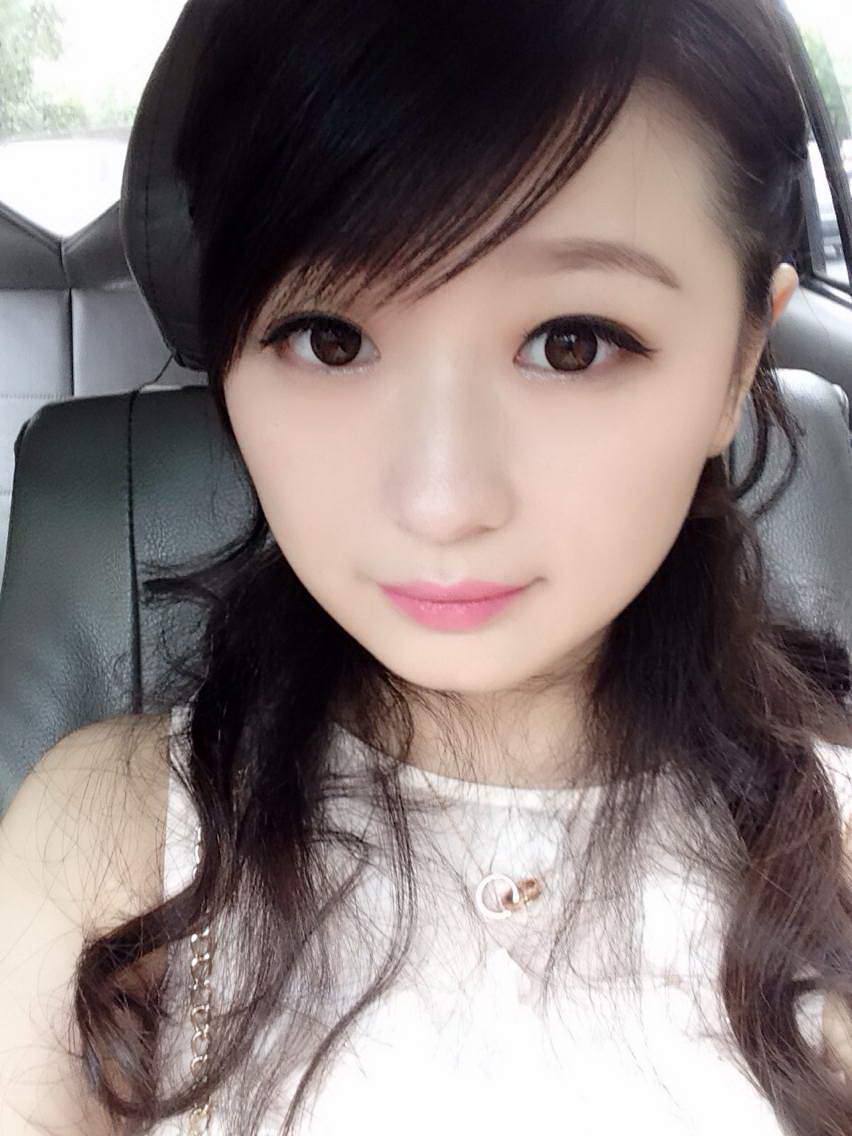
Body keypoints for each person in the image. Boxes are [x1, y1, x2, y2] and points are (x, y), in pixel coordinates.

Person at [0, 0, 851, 1132]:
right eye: (330, 337)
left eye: (573, 343)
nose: (441, 503)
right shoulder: (102, 843)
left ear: (742, 357)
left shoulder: (836, 849)